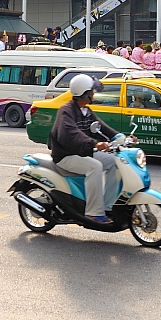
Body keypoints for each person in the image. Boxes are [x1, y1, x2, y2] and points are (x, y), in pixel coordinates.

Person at [48, 74, 120, 224]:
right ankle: (93, 213)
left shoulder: (86, 111)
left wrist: (119, 137)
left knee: (115, 161)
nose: (94, 94)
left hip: (81, 153)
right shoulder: (66, 111)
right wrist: (94, 144)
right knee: (95, 166)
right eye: (92, 91)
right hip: (65, 156)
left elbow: (101, 128)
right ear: (84, 93)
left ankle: (107, 205)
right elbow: (71, 134)